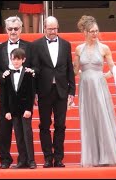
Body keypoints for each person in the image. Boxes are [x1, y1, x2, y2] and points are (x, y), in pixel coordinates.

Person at [73, 15, 116, 167]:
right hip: (85, 87)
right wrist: (72, 66)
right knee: (88, 119)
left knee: (103, 118)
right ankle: (92, 158)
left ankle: (107, 156)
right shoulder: (78, 49)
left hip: (100, 87)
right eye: (91, 31)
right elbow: (76, 72)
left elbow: (112, 69)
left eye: (96, 31)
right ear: (85, 32)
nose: (95, 34)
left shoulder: (104, 48)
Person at [31, 16, 75, 168]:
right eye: (50, 29)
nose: (53, 32)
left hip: (62, 90)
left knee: (60, 125)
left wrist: (72, 91)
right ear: (44, 28)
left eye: (55, 28)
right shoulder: (36, 45)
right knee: (44, 125)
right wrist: (34, 92)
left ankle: (59, 158)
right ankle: (48, 158)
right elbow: (35, 70)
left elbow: (70, 69)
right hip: (44, 90)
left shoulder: (65, 44)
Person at [0, 16, 33, 169]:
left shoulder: (30, 47)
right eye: (10, 29)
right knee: (4, 127)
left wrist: (32, 72)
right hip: (6, 93)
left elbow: (35, 66)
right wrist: (0, 75)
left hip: (23, 94)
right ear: (6, 30)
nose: (13, 31)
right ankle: (5, 159)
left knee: (24, 128)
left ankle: (26, 159)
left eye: (16, 28)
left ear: (21, 29)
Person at [2, 48, 36, 169]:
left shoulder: (28, 74)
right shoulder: (6, 75)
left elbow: (31, 94)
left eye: (18, 59)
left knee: (27, 134)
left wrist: (29, 109)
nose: (16, 62)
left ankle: (31, 160)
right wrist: (6, 111)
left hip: (25, 110)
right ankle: (22, 160)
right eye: (14, 59)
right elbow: (5, 95)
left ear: (23, 60)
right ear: (10, 60)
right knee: (18, 135)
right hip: (14, 110)